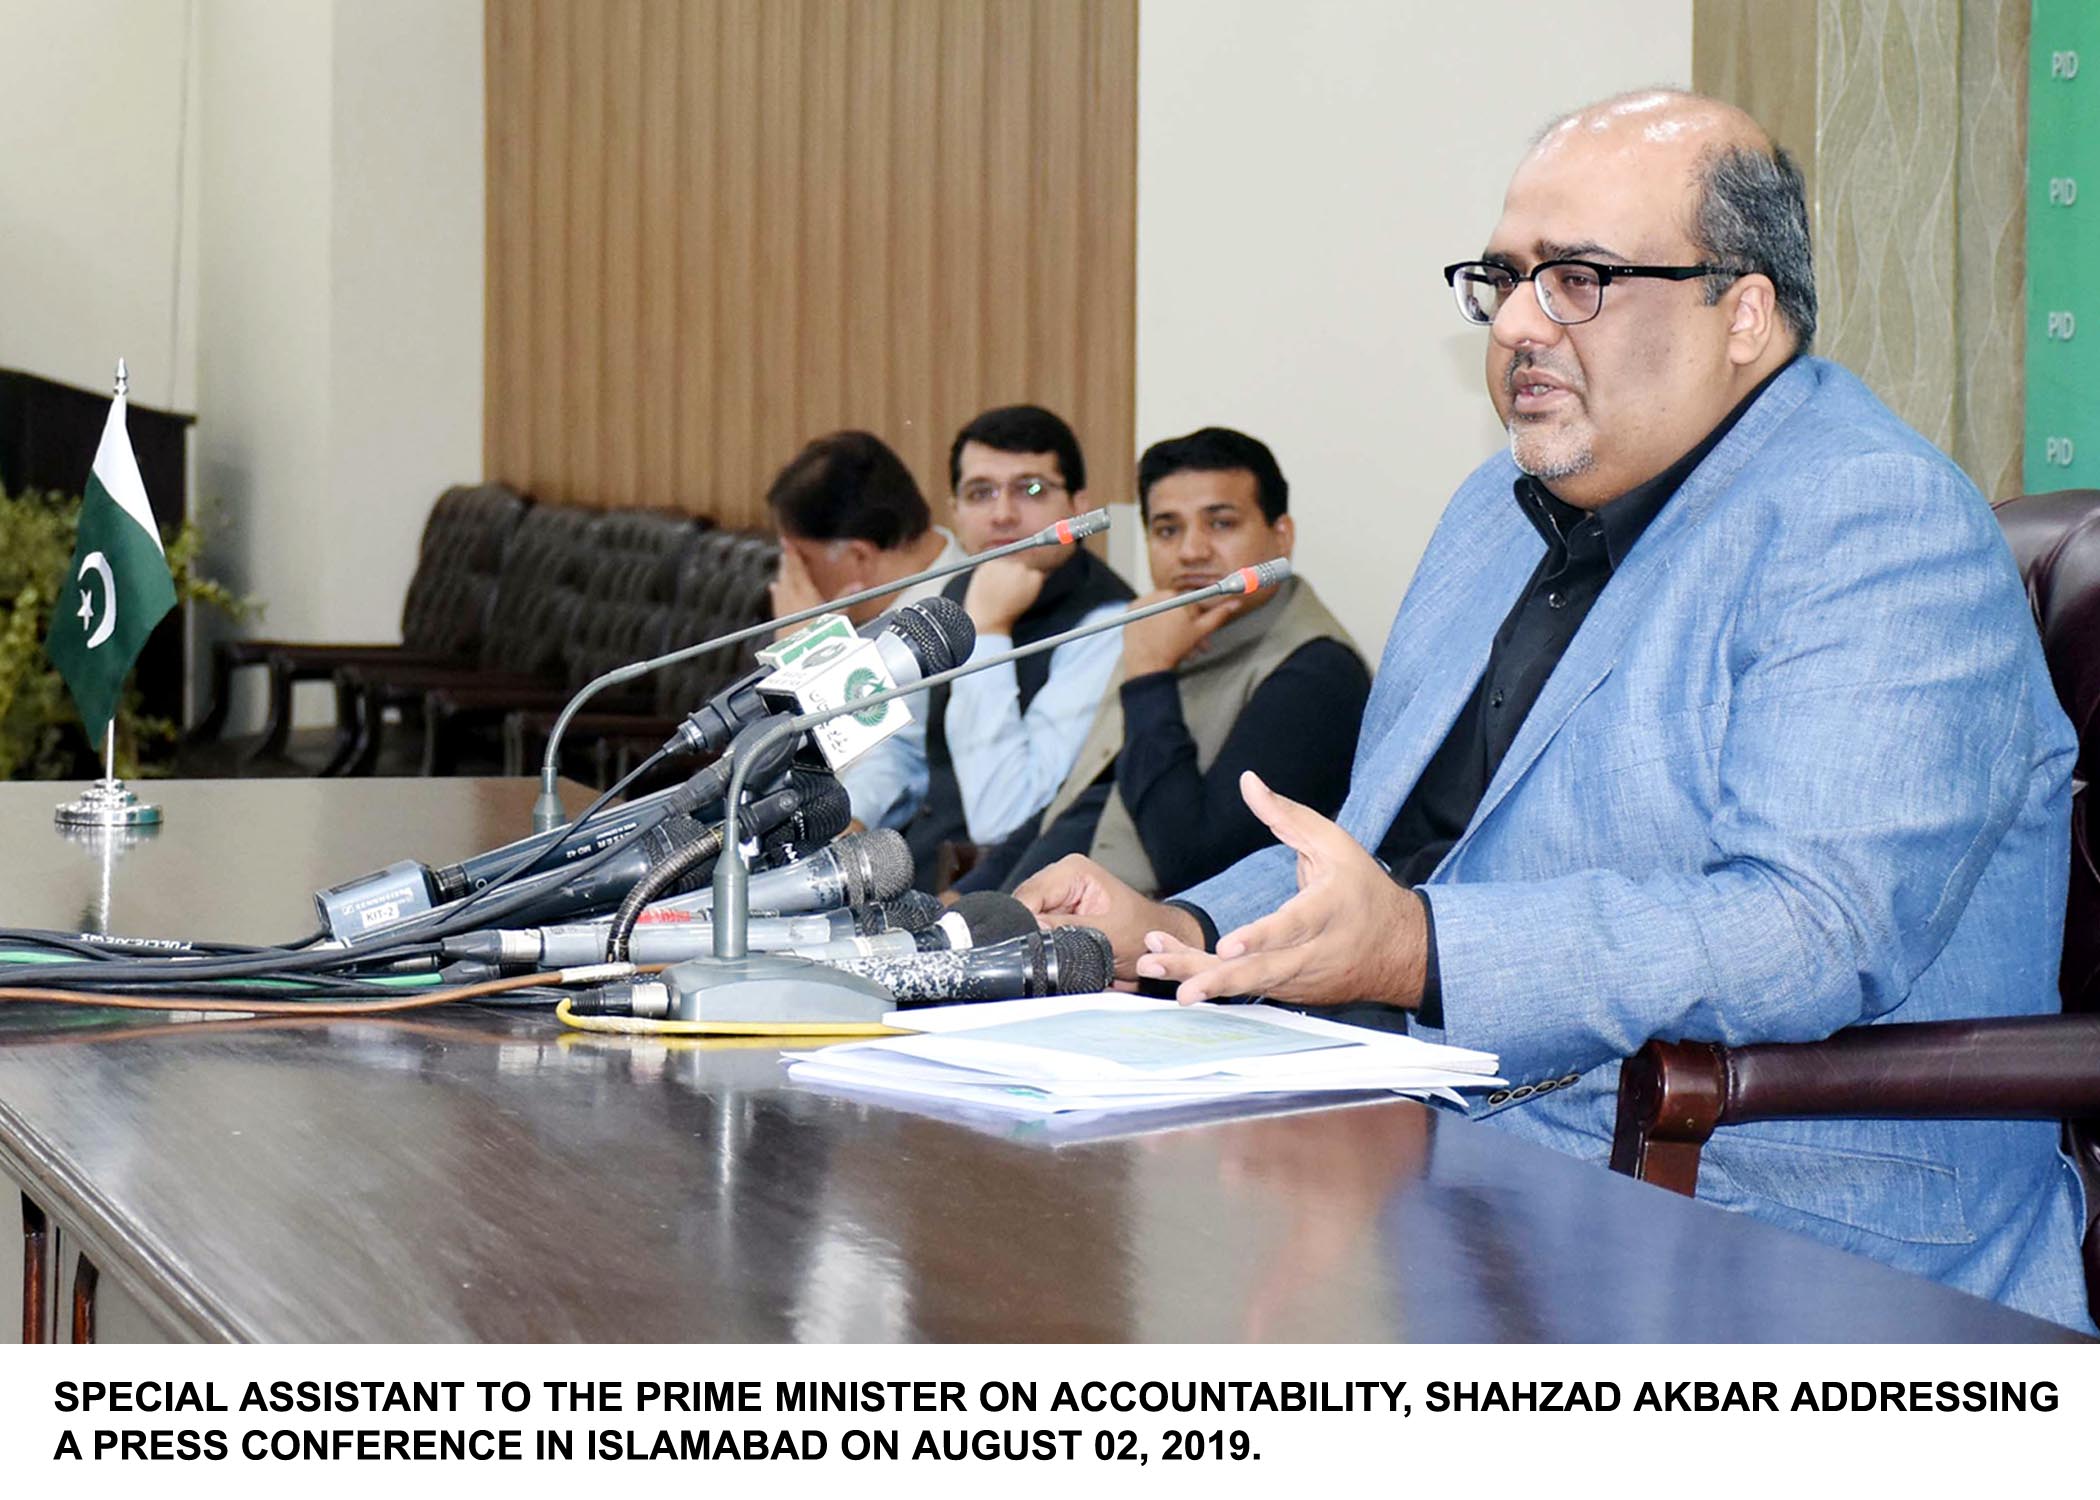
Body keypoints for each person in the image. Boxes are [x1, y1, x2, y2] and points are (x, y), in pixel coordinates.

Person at [1017, 90, 2094, 1329]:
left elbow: (1814, 929)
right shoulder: (1494, 513)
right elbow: (1390, 853)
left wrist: (1423, 952)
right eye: (1507, 278)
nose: (1522, 323)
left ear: (1742, 312)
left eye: (1578, 278)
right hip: (1450, 1163)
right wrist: (1179, 929)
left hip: (1766, 1220)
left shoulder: (1871, 520)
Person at [960, 426, 1369, 896]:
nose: (1192, 551)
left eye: (1221, 523)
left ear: (1282, 536)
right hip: (1053, 918)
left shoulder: (1315, 672)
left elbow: (1195, 862)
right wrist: (968, 901)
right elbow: (1075, 804)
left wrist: (1149, 677)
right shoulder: (1172, 626)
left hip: (1157, 953)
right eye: (1168, 529)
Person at [901, 405, 1134, 888]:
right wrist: (856, 814)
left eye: (1032, 490)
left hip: (1000, 892)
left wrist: (988, 631)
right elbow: (905, 742)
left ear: (1077, 507)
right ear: (956, 514)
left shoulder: (1109, 625)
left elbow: (1002, 815)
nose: (1003, 514)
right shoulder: (951, 591)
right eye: (980, 493)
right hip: (916, 865)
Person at [764, 431, 967, 831]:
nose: (791, 577)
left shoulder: (946, 624)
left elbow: (881, 767)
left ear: (858, 555)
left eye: (799, 559)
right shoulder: (872, 601)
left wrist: (807, 656)